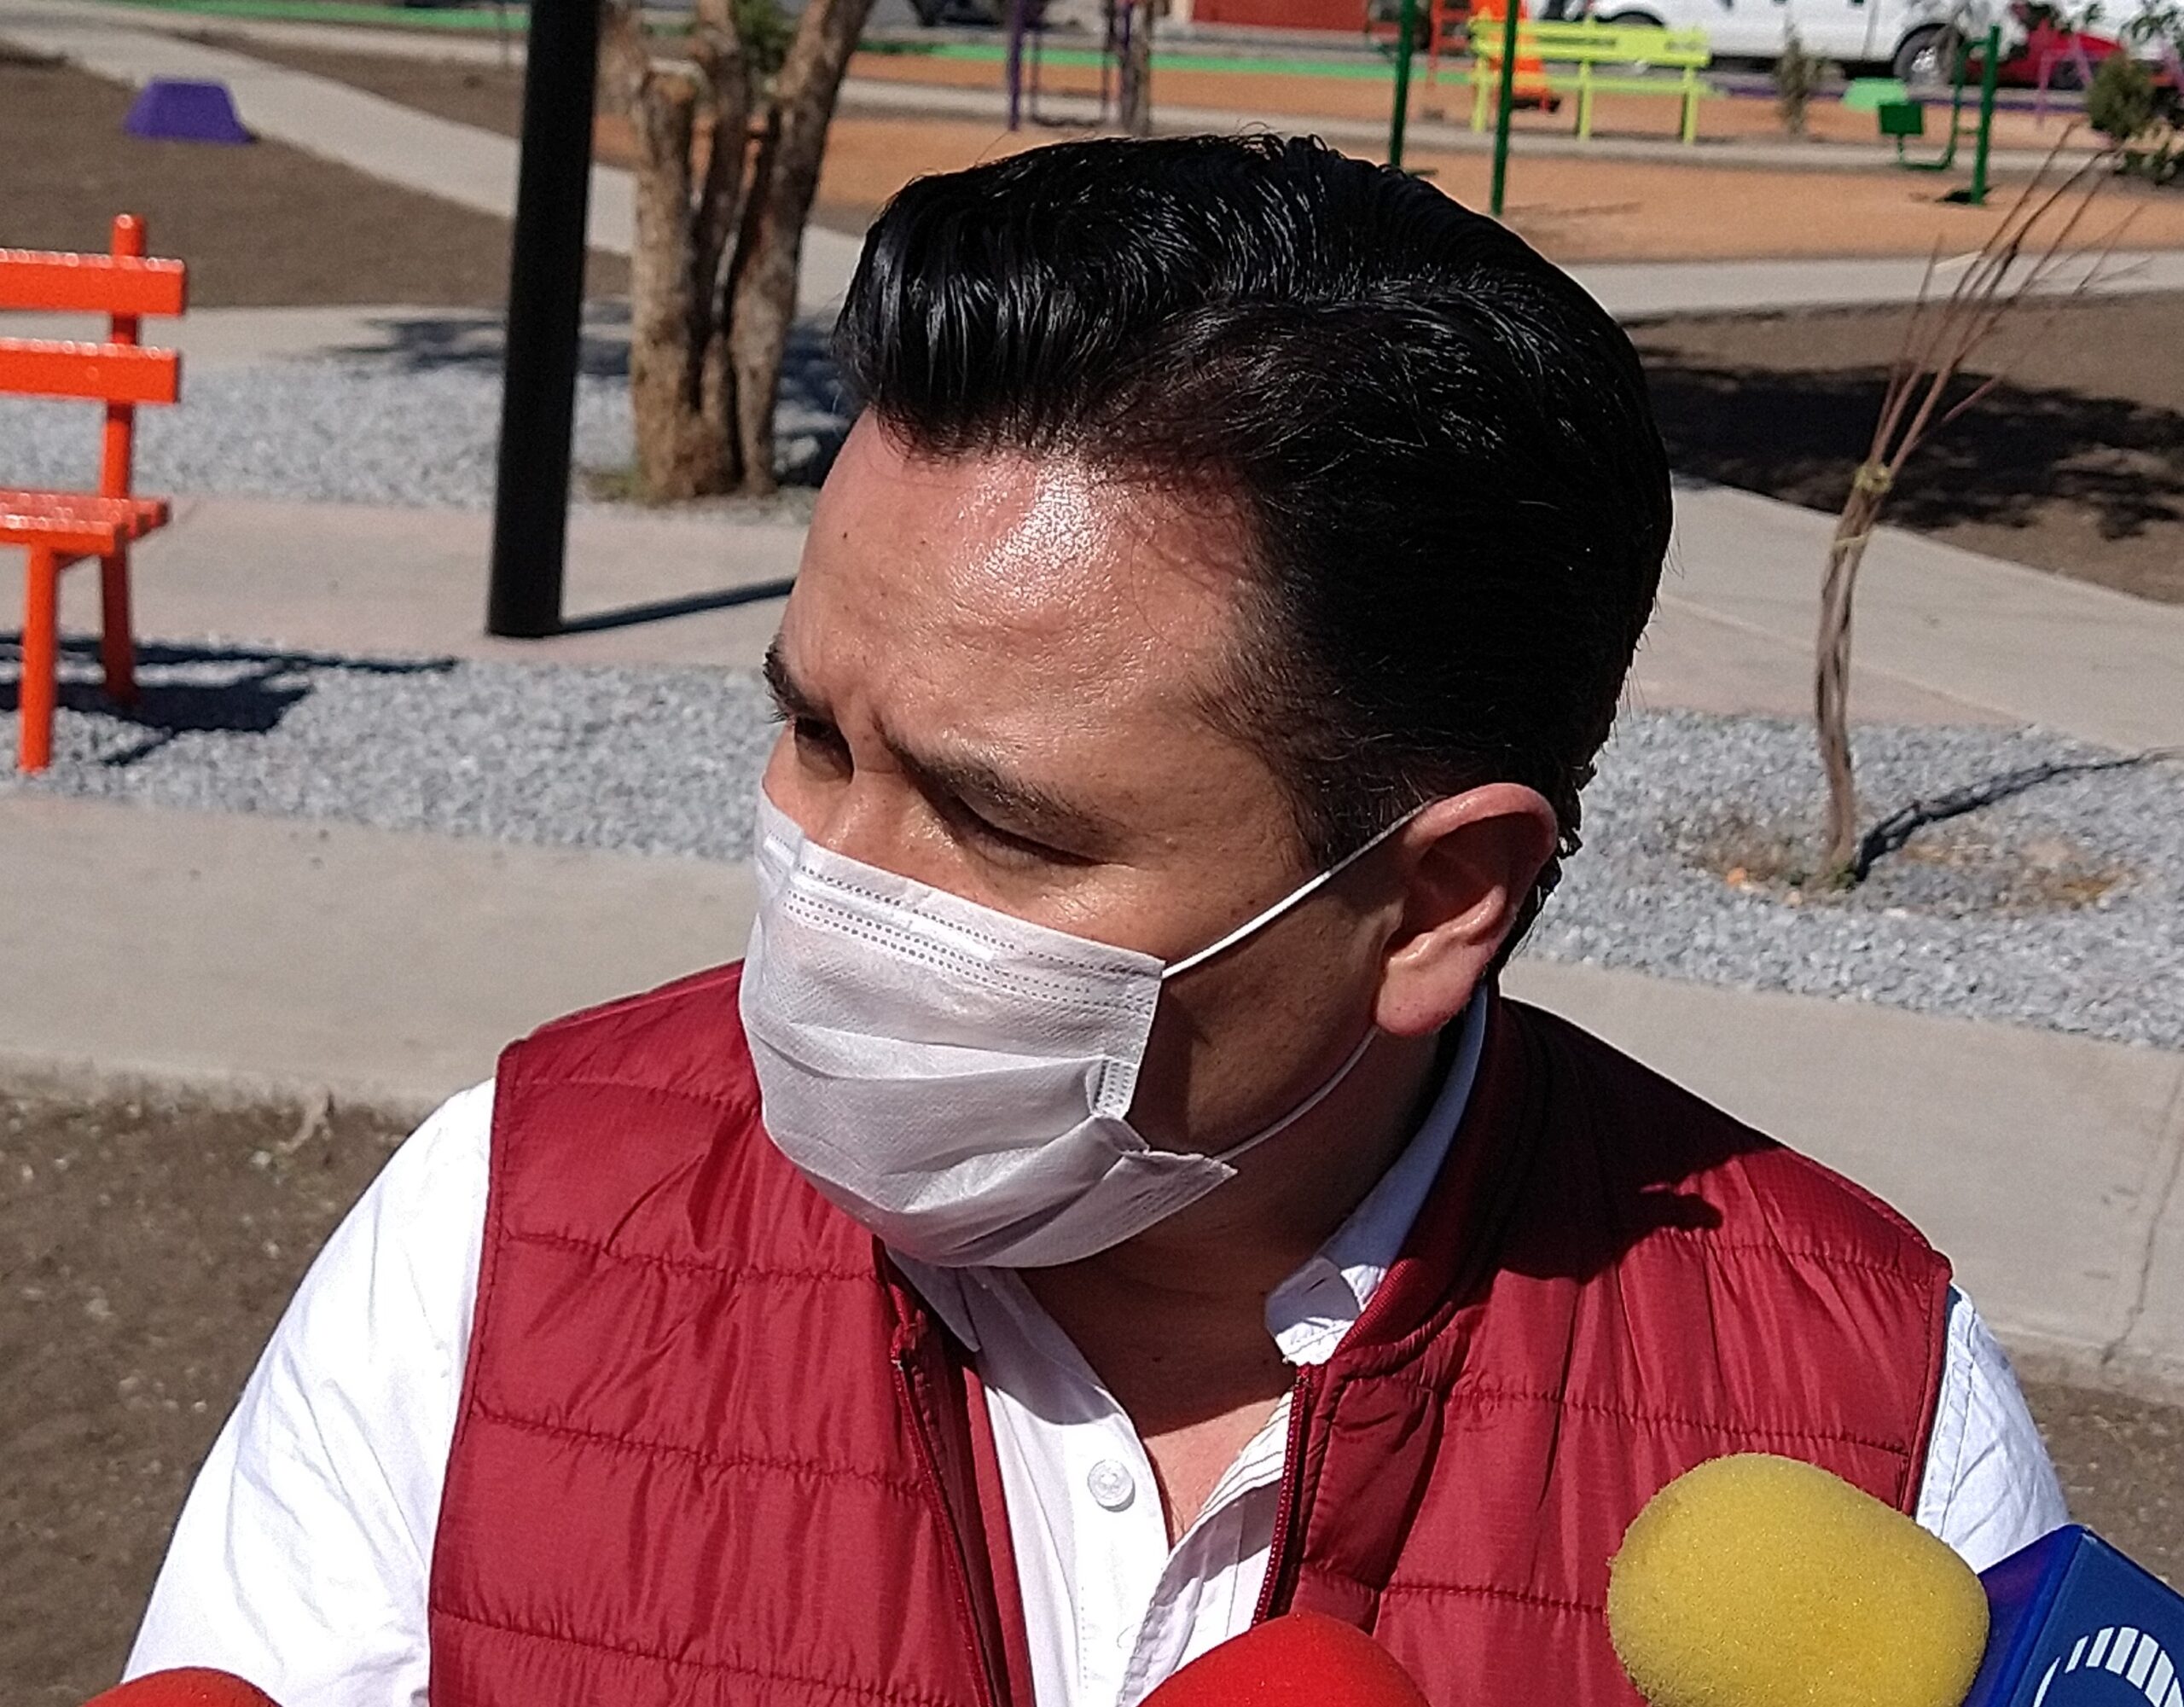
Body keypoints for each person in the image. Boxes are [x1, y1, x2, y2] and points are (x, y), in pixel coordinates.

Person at [128, 135, 2065, 1707]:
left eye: (999, 819)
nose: (832, 885)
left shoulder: (1866, 1418)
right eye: (815, 735)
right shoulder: (502, 1230)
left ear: (1434, 901)